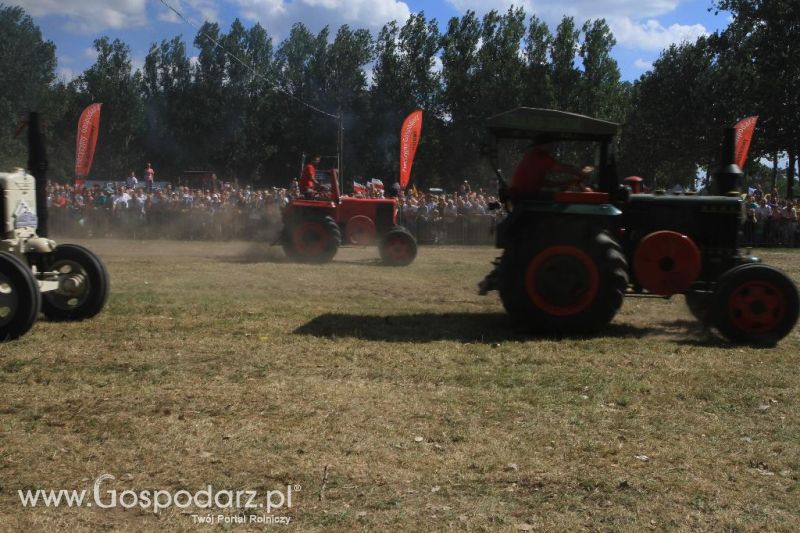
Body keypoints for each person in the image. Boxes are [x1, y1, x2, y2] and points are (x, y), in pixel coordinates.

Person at [508, 139, 594, 199]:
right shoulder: (539, 156)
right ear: (544, 145)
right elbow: (562, 168)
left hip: (522, 195)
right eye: (551, 144)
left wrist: (564, 184)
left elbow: (542, 182)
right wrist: (582, 171)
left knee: (557, 196)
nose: (553, 146)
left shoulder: (533, 157)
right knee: (560, 200)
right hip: (524, 195)